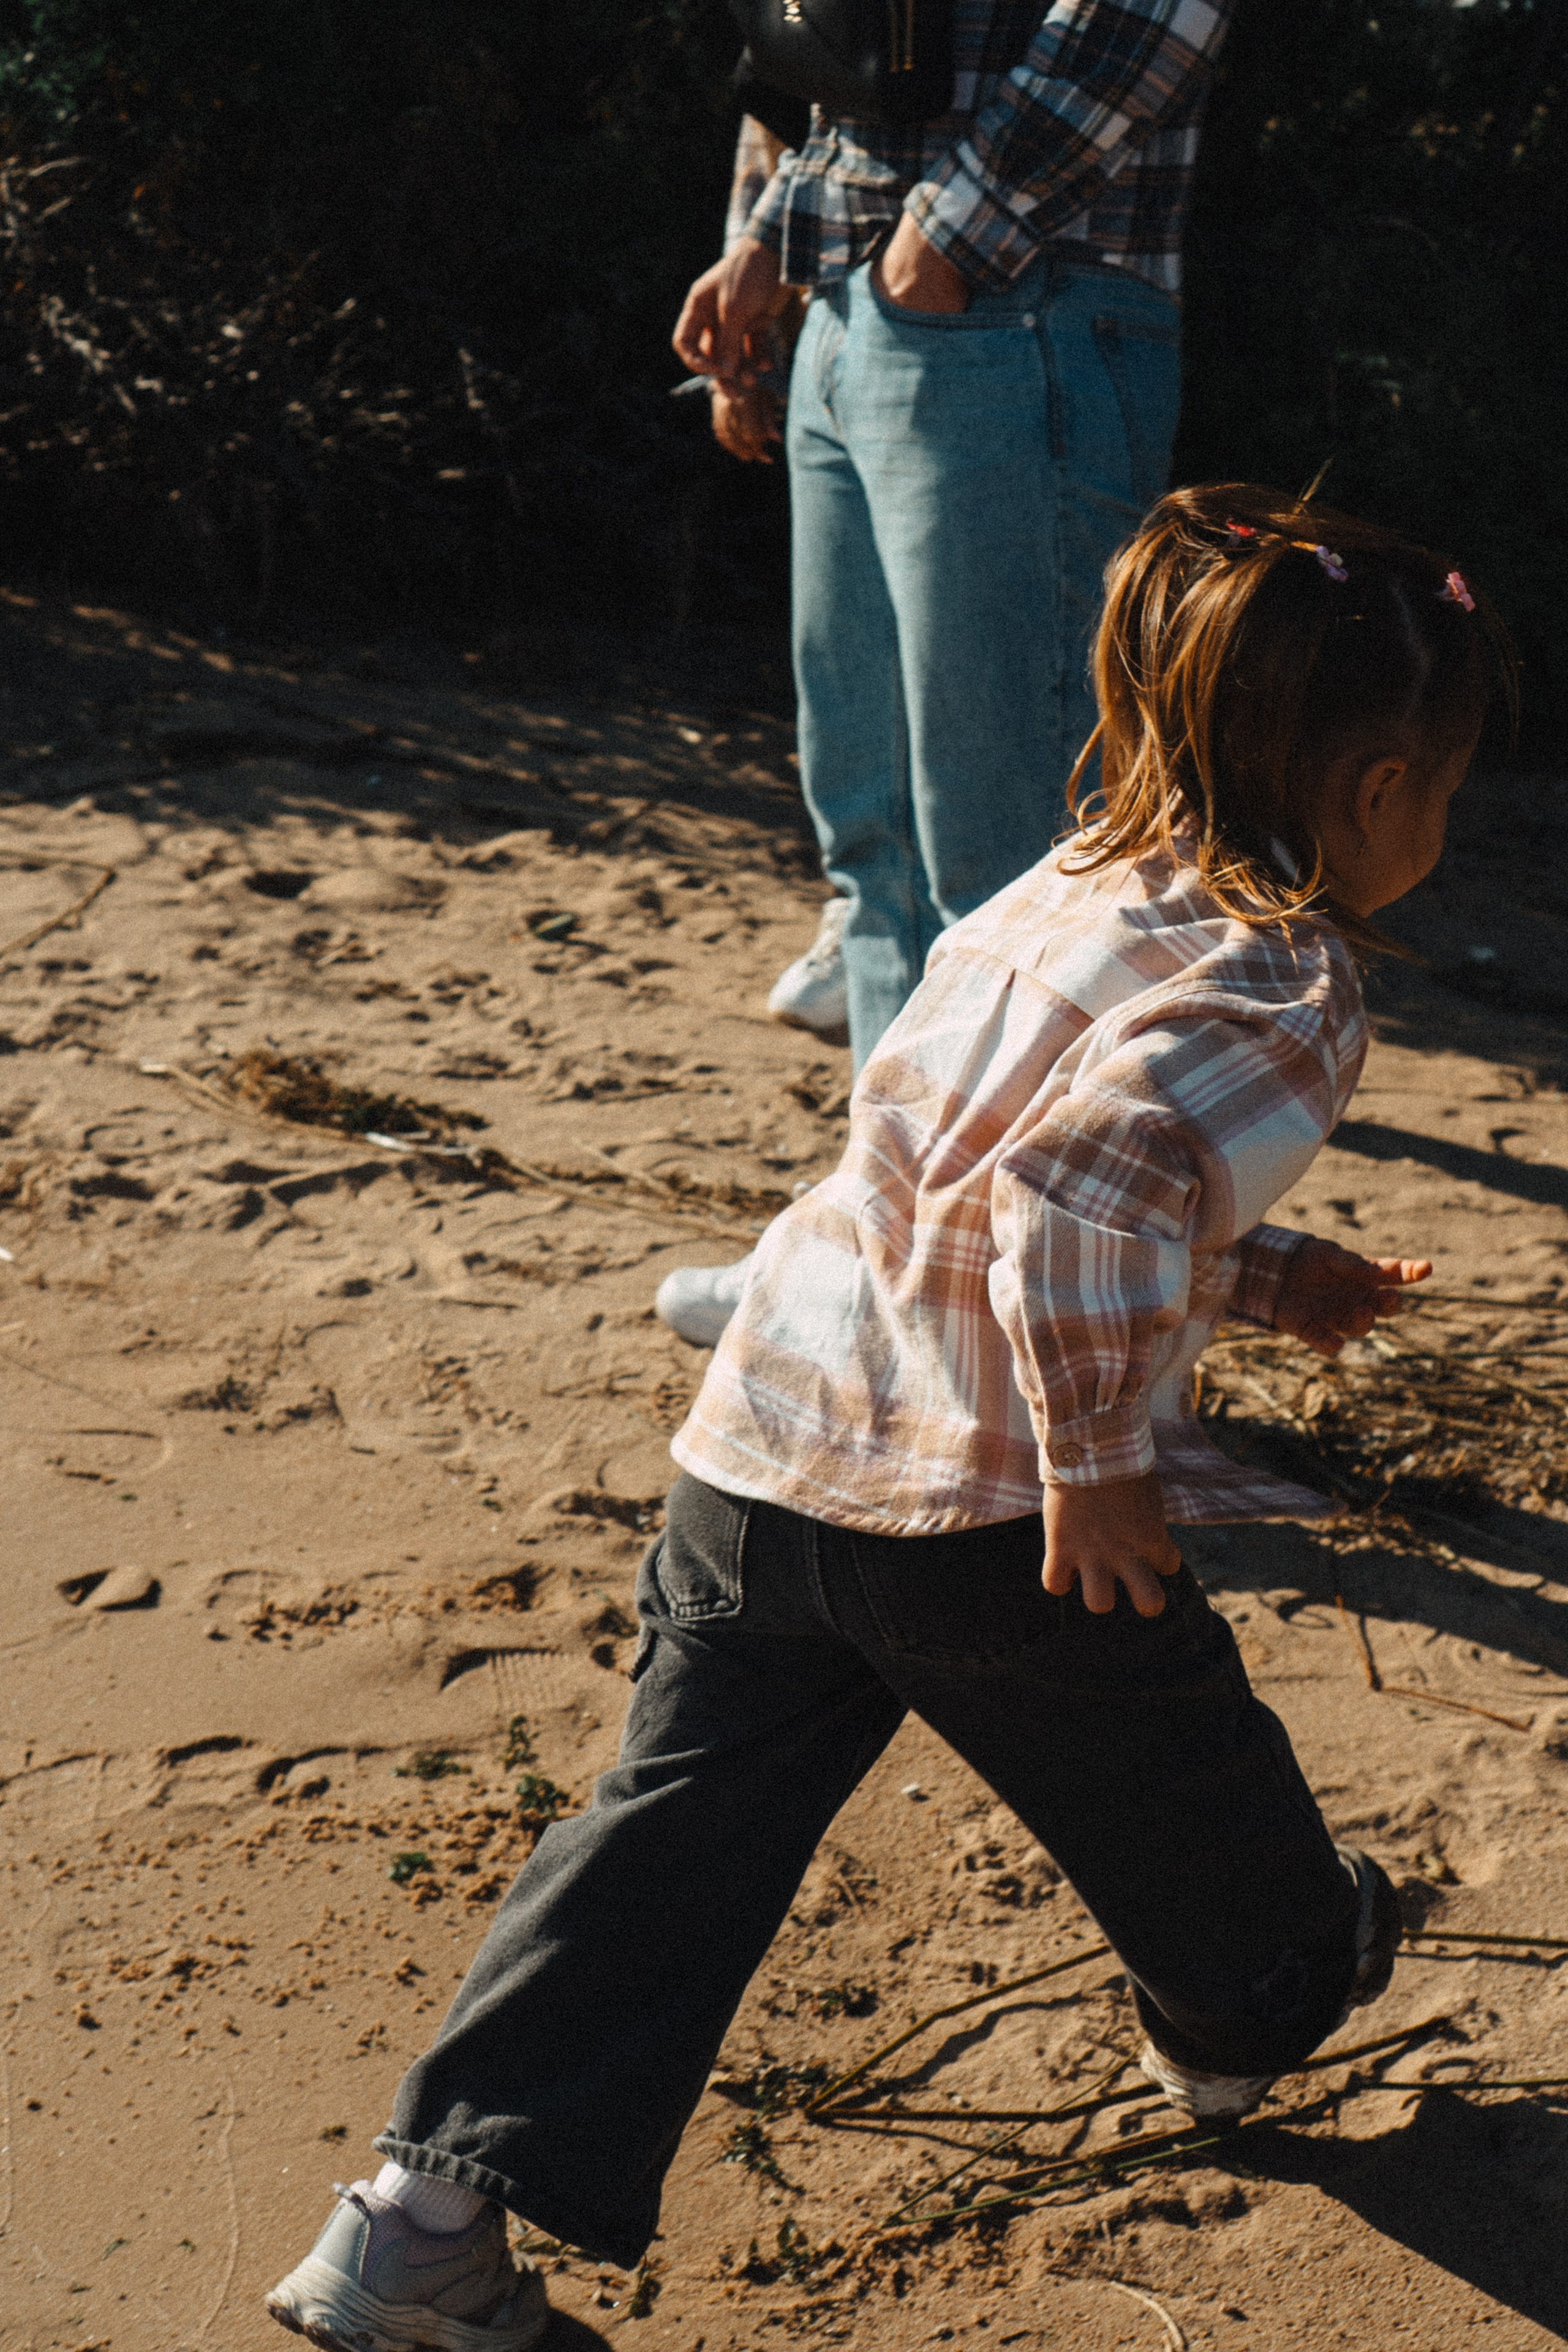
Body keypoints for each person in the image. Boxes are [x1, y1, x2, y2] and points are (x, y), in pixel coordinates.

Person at [265, 483, 1509, 2352]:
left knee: (670, 1831)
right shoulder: (1291, 976)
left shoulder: (1066, 882)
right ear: (1374, 785)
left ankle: (420, 2222)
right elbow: (1079, 1199)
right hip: (991, 1515)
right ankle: (1248, 2015)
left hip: (763, 1453)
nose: (1445, 824)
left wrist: (1265, 1278)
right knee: (1196, 1794)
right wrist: (1103, 1474)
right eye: (1448, 790)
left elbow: (967, 1175)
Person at [655, 0, 1238, 1343]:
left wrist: (946, 240)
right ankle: (887, 1256)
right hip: (862, 307)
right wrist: (770, 245)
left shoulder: (969, 262)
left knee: (1011, 877)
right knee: (873, 842)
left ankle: (1033, 1328)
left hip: (1015, 301)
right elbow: (820, 48)